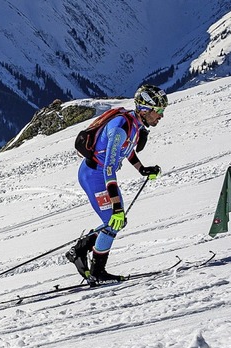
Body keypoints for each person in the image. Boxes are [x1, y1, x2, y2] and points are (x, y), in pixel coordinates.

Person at [65, 84, 167, 285]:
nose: (161, 116)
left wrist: (142, 168)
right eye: (159, 111)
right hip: (94, 177)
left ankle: (79, 251)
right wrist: (117, 206)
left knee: (117, 221)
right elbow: (109, 168)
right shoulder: (120, 128)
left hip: (100, 175)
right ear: (146, 109)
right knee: (114, 220)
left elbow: (126, 150)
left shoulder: (135, 123)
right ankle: (96, 271)